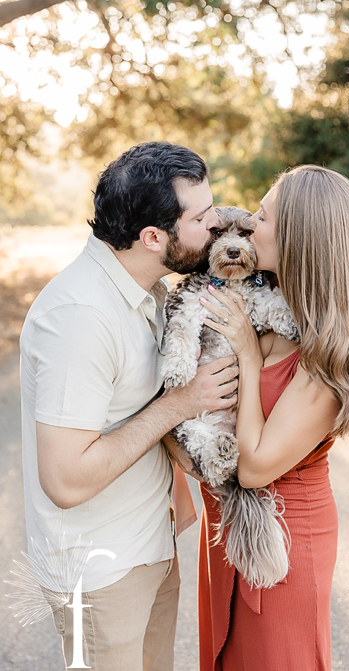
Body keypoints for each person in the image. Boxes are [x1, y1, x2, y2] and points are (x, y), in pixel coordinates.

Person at [167, 165, 349, 671]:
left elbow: (253, 468)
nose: (249, 224)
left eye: (262, 216)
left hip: (282, 538)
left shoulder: (329, 353)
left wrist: (249, 357)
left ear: (300, 238)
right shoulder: (260, 299)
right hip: (227, 525)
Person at [19, 141, 239, 669]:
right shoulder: (81, 317)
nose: (215, 224)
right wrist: (182, 403)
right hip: (103, 570)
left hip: (149, 543)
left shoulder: (148, 288)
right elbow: (65, 480)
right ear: (152, 237)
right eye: (201, 217)